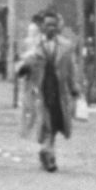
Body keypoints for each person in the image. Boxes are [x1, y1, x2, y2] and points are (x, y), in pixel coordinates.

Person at [15, 11, 78, 172]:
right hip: (40, 91)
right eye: (48, 24)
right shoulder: (34, 45)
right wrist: (23, 69)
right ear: (42, 26)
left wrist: (74, 88)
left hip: (58, 92)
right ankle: (49, 155)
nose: (51, 28)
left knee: (55, 125)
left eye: (54, 25)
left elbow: (71, 69)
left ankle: (46, 151)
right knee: (46, 124)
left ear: (58, 27)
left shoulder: (66, 46)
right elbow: (23, 64)